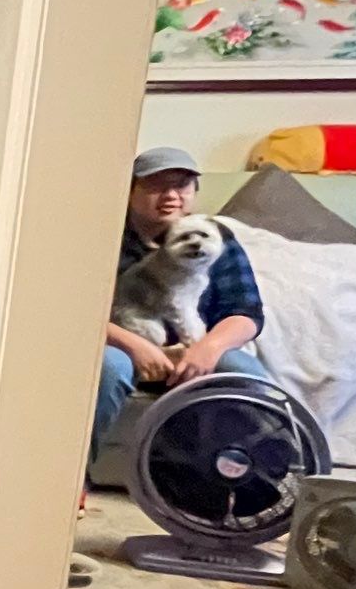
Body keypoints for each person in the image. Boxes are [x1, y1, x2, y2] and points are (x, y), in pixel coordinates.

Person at [92, 144, 273, 463]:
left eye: (182, 185)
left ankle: (235, 475)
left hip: (198, 347)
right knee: (108, 367)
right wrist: (136, 346)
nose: (171, 195)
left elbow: (245, 312)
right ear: (130, 190)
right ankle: (74, 479)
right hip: (122, 343)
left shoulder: (216, 238)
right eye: (156, 186)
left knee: (244, 373)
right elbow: (74, 311)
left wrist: (209, 348)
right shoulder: (104, 239)